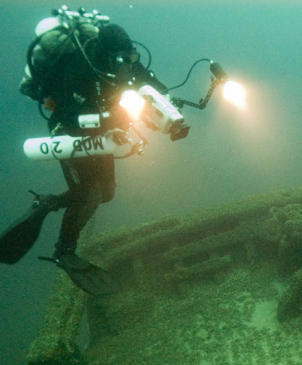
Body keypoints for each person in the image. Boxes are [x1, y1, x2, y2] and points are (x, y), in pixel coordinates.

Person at [1, 11, 169, 295]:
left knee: (107, 192)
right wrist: (109, 120)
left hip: (104, 137)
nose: (126, 64)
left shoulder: (125, 59)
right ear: (105, 52)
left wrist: (167, 101)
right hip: (69, 134)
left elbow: (149, 84)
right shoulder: (80, 66)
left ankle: (50, 203)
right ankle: (64, 250)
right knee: (90, 192)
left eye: (129, 57)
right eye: (122, 58)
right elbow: (68, 114)